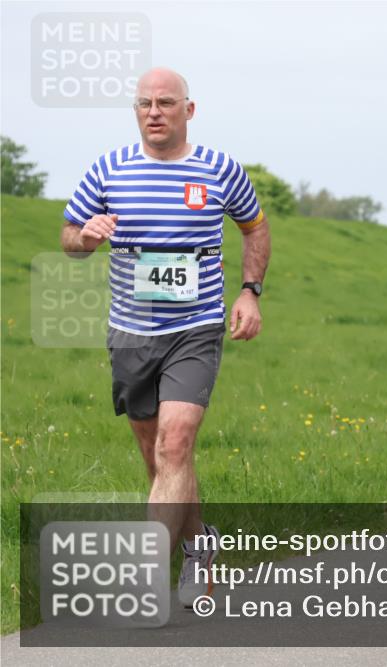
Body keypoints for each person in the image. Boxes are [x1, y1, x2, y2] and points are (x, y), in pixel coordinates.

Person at [60, 67, 271, 606]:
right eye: (145, 103)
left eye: (165, 103)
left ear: (188, 110)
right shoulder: (109, 168)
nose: (154, 112)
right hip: (130, 331)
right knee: (157, 456)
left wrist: (249, 292)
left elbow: (255, 228)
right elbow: (68, 236)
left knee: (177, 443)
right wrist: (84, 236)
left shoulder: (220, 169)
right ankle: (200, 543)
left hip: (194, 327)